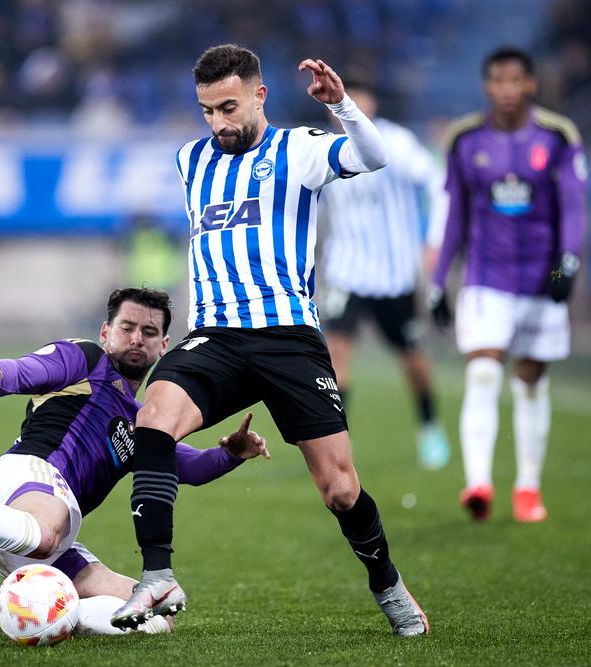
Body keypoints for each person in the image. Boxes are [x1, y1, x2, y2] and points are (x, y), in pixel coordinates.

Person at [112, 44, 429, 637]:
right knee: (151, 419)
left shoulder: (301, 149)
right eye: (207, 111)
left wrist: (344, 109)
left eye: (228, 107)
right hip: (215, 337)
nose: (218, 123)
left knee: (339, 489)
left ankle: (385, 580)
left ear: (259, 94)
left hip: (288, 338)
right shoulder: (190, 159)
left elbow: (375, 157)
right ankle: (157, 575)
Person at [0, 287, 270, 636]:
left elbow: (185, 466)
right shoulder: (87, 359)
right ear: (105, 332)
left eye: (149, 333)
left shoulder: (143, 420)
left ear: (164, 345)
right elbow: (32, 369)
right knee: (43, 533)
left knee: (155, 614)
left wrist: (230, 453)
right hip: (25, 481)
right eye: (127, 327)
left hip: (44, 542)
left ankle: (57, 618)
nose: (137, 339)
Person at [428, 47, 587, 523]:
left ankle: (527, 488)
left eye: (516, 80)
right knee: (482, 372)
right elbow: (455, 213)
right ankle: (478, 483)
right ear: (487, 87)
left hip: (542, 281)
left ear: (531, 84)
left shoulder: (559, 136)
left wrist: (566, 270)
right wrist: (439, 282)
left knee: (532, 383)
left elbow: (573, 211)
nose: (508, 89)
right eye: (499, 80)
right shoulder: (464, 139)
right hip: (485, 279)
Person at [316, 79, 452, 470]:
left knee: (412, 359)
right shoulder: (324, 146)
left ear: (373, 100)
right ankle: (340, 443)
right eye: (345, 97)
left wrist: (434, 241)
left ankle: (429, 426)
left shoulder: (397, 141)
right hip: (345, 272)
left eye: (361, 95)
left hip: (394, 276)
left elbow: (439, 184)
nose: (352, 104)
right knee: (336, 357)